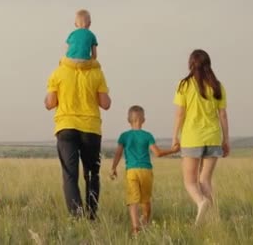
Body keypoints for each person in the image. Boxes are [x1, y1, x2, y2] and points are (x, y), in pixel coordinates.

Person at [45, 57, 111, 220]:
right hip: (91, 128)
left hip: (66, 127)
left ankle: (76, 216)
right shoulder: (97, 73)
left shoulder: (58, 72)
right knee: (92, 174)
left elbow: (50, 103)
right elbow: (105, 104)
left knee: (70, 175)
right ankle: (91, 215)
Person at [172, 49, 229, 226]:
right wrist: (226, 140)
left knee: (190, 181)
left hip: (192, 138)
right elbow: (223, 115)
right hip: (213, 138)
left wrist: (175, 136)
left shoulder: (184, 85)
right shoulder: (218, 86)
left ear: (191, 64)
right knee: (205, 180)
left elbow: (180, 114)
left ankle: (200, 202)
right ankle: (213, 219)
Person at [111, 106, 179, 235]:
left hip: (131, 171)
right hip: (146, 171)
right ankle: (145, 222)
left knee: (132, 200)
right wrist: (173, 151)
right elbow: (157, 153)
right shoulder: (147, 136)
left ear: (128, 120)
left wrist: (113, 168)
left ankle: (136, 228)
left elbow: (118, 153)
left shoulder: (124, 136)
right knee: (145, 199)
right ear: (143, 120)